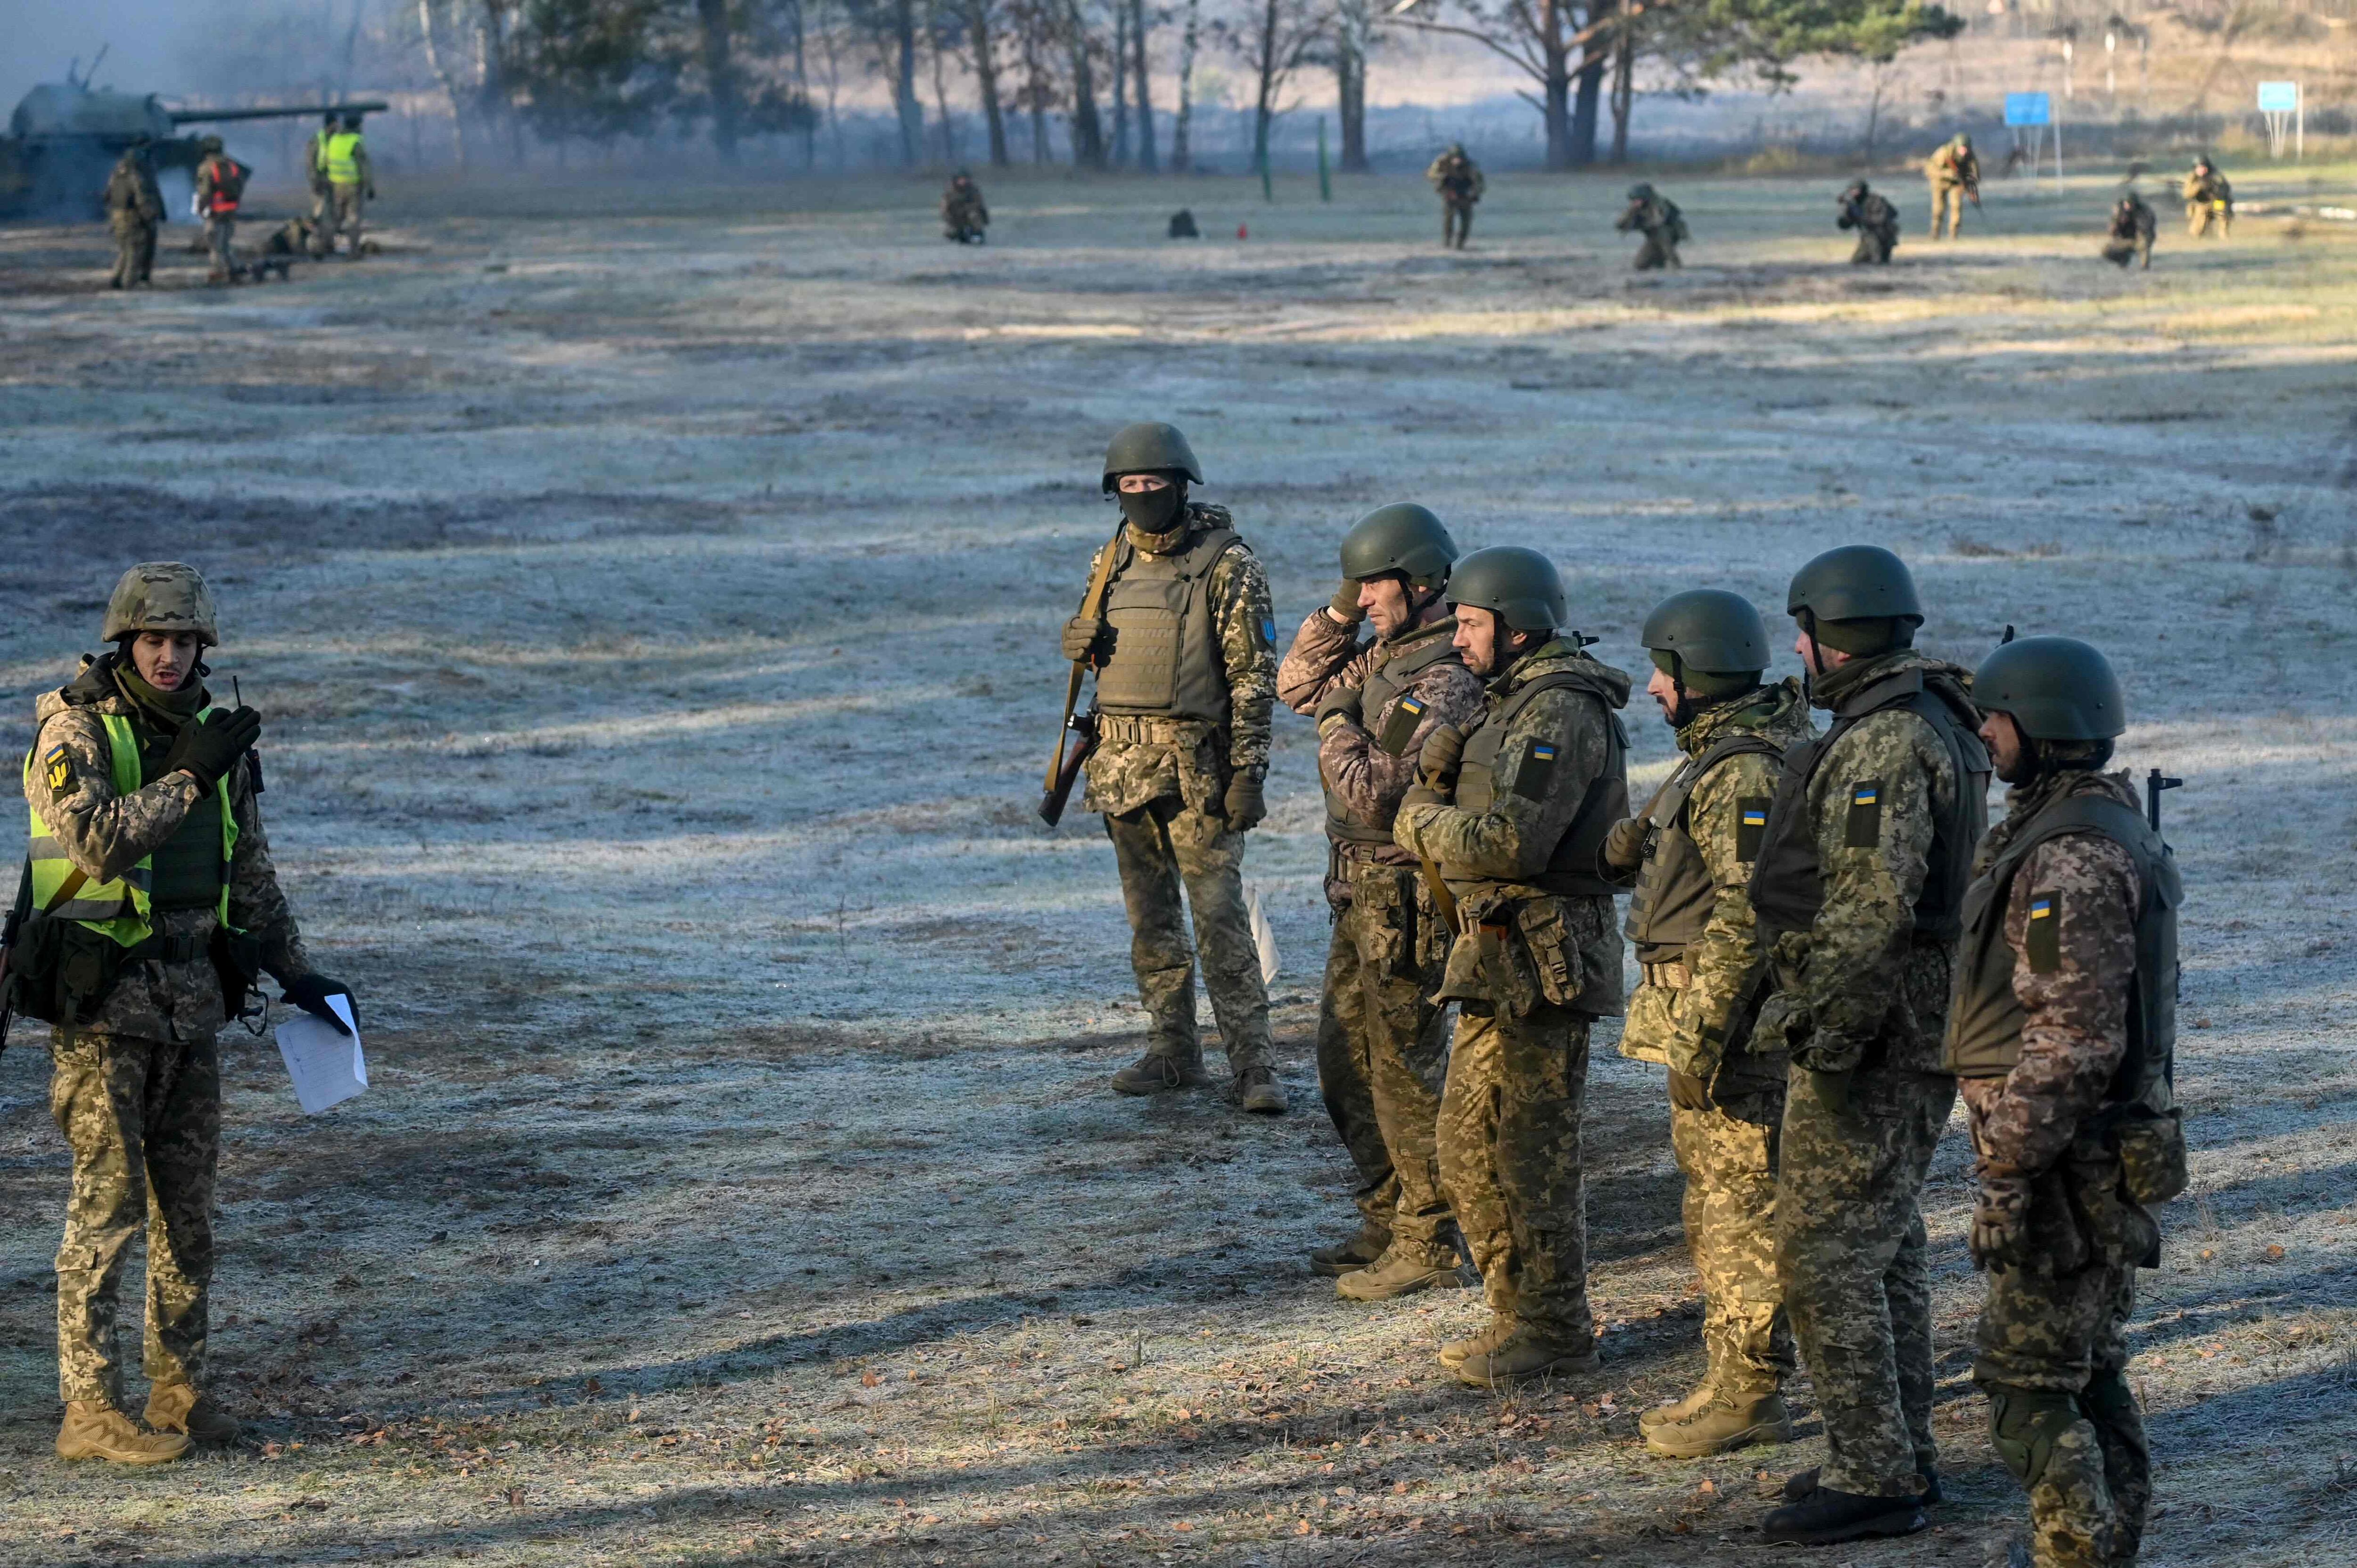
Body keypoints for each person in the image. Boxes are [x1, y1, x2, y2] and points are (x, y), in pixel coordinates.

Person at [22, 564, 354, 1464]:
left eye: (184, 643)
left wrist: (297, 971)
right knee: (108, 1205)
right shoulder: (75, 728)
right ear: (124, 642)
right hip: (101, 1014)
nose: (168, 658)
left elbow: (250, 872)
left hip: (192, 1007)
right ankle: (89, 1411)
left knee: (188, 1212)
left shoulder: (220, 739)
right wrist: (185, 778)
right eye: (152, 641)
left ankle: (178, 1392)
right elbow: (93, 844)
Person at [1748, 545, 1989, 1545]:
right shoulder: (1931, 718)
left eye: (1802, 633)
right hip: (1911, 1013)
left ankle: (1875, 1472)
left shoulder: (1886, 741)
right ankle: (1895, 1453)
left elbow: (1869, 904)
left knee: (1824, 1252)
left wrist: (1826, 1030)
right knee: (1882, 1243)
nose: (1796, 652)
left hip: (1879, 1023)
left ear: (1828, 634)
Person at [1946, 635, 2180, 1568]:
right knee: (2084, 1372)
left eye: (1994, 720)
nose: (1983, 736)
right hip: (2083, 1154)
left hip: (2062, 1163)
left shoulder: (2073, 857)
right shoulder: (2082, 826)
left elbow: (2073, 1039)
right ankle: (2103, 1546)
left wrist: (2005, 1166)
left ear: (2038, 727)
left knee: (2026, 1388)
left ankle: (2077, 1553)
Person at [1392, 548, 1632, 1386]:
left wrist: (1418, 822)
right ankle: (1515, 1313)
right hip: (1497, 953)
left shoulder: (1558, 712)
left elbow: (1512, 842)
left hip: (1547, 956)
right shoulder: (1512, 702)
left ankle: (1556, 1325)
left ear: (1518, 625)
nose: (1457, 639)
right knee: (1465, 1146)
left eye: (1469, 622)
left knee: (1532, 1150)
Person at [1601, 591, 1814, 1460]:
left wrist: (1702, 1034)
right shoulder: (1721, 759)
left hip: (1728, 1026)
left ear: (1701, 673)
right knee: (1720, 1202)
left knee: (1739, 1208)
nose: (1653, 687)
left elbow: (1747, 913)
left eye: (1665, 669)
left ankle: (1750, 1390)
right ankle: (1738, 1378)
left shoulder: (1744, 773)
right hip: (1705, 1012)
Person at [1277, 505, 1485, 1298]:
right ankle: (1390, 1210)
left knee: (1402, 1069)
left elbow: (1368, 791)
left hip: (1405, 895)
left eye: (1374, 585)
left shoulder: (1442, 675)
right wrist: (1339, 609)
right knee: (1344, 1062)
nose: (1361, 601)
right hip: (1358, 892)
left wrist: (1336, 722)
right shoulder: (1389, 655)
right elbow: (1296, 684)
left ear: (1423, 581)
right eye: (1354, 588)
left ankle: (1429, 1236)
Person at [1062, 423, 1286, 1114]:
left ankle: (1253, 1065)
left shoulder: (1229, 565)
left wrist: (1249, 772)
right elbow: (1111, 662)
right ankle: (1173, 1050)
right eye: (1127, 486)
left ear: (1182, 484)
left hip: (1198, 772)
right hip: (1121, 766)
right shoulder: (1110, 560)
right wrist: (1082, 643)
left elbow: (1254, 678)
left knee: (1220, 920)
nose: (1141, 494)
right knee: (1151, 921)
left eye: (1152, 483)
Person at [102, 137, 164, 291]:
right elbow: (141, 198)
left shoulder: (116, 174)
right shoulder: (135, 176)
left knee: (125, 250)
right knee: (135, 251)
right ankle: (129, 282)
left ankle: (116, 278)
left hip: (117, 216)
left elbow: (107, 196)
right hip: (132, 216)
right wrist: (149, 215)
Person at [191, 137, 247, 285]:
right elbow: (240, 186)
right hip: (230, 210)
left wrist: (201, 209)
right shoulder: (231, 165)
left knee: (216, 246)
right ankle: (235, 269)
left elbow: (205, 192)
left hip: (215, 211)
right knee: (225, 243)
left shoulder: (206, 167)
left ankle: (218, 273)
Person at [320, 114, 374, 258]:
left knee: (336, 217)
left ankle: (325, 246)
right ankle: (353, 251)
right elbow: (364, 167)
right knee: (353, 219)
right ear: (357, 126)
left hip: (336, 185)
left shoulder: (334, 139)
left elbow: (326, 161)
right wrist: (370, 187)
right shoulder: (355, 142)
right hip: (353, 186)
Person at [1615, 182, 1687, 270]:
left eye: (1638, 200)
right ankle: (1660, 263)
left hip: (1670, 234)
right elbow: (1620, 224)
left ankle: (1674, 264)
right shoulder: (1635, 209)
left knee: (1662, 237)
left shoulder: (1658, 204)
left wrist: (1645, 224)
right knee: (1640, 265)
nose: (1635, 202)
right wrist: (1631, 214)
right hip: (1653, 237)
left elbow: (1660, 221)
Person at [1426, 144, 1484, 250]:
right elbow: (1431, 175)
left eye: (1459, 158)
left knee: (1466, 221)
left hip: (1465, 195)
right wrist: (1442, 177)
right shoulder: (1442, 163)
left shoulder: (1470, 166)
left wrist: (1474, 194)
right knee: (1449, 219)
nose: (1457, 161)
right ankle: (1447, 242)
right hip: (1449, 193)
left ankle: (1460, 244)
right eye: (1455, 158)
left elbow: (1479, 183)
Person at [1924, 133, 1979, 240]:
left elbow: (1974, 173)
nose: (1964, 152)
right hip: (1939, 183)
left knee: (1957, 207)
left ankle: (1954, 234)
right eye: (1962, 149)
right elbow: (1930, 169)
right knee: (1938, 209)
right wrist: (1948, 174)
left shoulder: (1970, 156)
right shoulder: (1944, 153)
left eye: (1966, 149)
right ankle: (1935, 232)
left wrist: (1971, 188)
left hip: (1957, 184)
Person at [1838, 181, 1900, 265]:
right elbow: (1847, 224)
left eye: (1856, 190)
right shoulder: (1854, 204)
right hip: (1867, 237)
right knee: (1857, 262)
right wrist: (1845, 213)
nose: (1853, 193)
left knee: (1879, 261)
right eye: (1851, 190)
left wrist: (1861, 217)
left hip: (1882, 235)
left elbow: (1881, 219)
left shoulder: (1876, 201)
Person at [2102, 192, 2157, 270]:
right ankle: (2123, 259)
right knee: (2107, 250)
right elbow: (2112, 232)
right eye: (2127, 203)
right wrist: (2118, 220)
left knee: (2145, 241)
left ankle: (2144, 265)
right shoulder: (2120, 212)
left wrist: (2136, 218)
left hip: (2139, 239)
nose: (2129, 206)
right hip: (2126, 239)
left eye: (2131, 203)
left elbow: (2147, 227)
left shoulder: (2144, 211)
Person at [2182, 156, 2231, 238]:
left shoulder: (2216, 176)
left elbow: (2226, 190)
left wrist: (2215, 188)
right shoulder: (2192, 178)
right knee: (2197, 230)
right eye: (2199, 168)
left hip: (2217, 201)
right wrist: (2198, 187)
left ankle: (2224, 235)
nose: (2202, 170)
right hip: (2201, 203)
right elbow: (2186, 194)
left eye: (2204, 167)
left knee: (2222, 214)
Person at [307, 113, 336, 246]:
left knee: (332, 213)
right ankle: (317, 243)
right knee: (319, 213)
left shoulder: (336, 138)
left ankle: (329, 242)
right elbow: (311, 162)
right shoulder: (318, 139)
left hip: (334, 180)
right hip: (320, 178)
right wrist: (314, 181)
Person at [942, 171, 989, 244]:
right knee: (951, 233)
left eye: (965, 179)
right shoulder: (950, 193)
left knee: (974, 216)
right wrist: (949, 219)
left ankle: (977, 234)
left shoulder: (973, 190)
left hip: (970, 214)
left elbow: (978, 204)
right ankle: (960, 234)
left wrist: (966, 209)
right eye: (961, 179)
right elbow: (945, 208)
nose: (963, 181)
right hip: (956, 217)